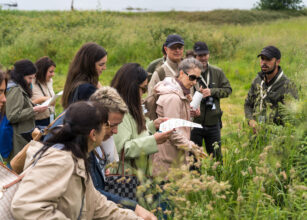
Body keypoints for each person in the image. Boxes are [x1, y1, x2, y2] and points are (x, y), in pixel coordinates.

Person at [11, 101, 142, 220]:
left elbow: (96, 204)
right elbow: (25, 206)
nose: (113, 130)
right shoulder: (61, 161)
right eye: (106, 125)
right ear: (93, 134)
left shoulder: (77, 158)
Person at [88, 87, 157, 220]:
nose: (115, 132)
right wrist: (133, 208)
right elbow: (92, 193)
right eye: (112, 125)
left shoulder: (96, 142)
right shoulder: (76, 147)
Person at [111, 63, 173, 176]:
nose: (144, 93)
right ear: (132, 87)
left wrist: (153, 126)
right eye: (143, 88)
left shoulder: (131, 106)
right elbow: (123, 149)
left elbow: (135, 132)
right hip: (125, 180)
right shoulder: (118, 113)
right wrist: (154, 140)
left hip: (137, 175)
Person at [151, 58, 202, 176]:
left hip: (174, 157)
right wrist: (192, 147)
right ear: (182, 73)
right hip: (167, 161)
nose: (194, 82)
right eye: (192, 77)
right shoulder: (173, 98)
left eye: (198, 79)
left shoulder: (181, 94)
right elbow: (172, 131)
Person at [191, 41, 232, 161]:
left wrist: (212, 92)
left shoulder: (217, 72)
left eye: (205, 55)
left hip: (213, 122)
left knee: (217, 158)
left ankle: (218, 179)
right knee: (194, 158)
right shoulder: (189, 73)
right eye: (200, 56)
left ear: (208, 54)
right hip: (194, 123)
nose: (203, 58)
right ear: (194, 56)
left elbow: (228, 90)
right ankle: (194, 179)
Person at [244, 45, 298, 132]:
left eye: (268, 59)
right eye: (262, 59)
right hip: (256, 134)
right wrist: (251, 120)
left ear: (277, 62)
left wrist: (271, 129)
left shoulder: (287, 85)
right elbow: (248, 104)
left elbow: (292, 116)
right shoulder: (257, 80)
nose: (264, 62)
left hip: (277, 137)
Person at [6, 59, 48, 157]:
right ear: (21, 76)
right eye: (29, 78)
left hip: (23, 134)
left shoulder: (18, 85)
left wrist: (35, 107)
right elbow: (12, 115)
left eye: (33, 78)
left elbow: (22, 106)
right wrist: (33, 110)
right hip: (18, 137)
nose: (30, 81)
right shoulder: (15, 89)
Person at [62, 42, 107, 109]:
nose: (104, 68)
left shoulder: (74, 81)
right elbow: (105, 109)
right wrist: (101, 90)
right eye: (101, 64)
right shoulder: (87, 89)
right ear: (89, 65)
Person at [31, 56, 56, 127]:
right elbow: (25, 106)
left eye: (53, 71)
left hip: (51, 118)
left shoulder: (49, 81)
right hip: (37, 122)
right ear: (42, 71)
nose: (53, 74)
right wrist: (42, 99)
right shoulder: (30, 83)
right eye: (50, 72)